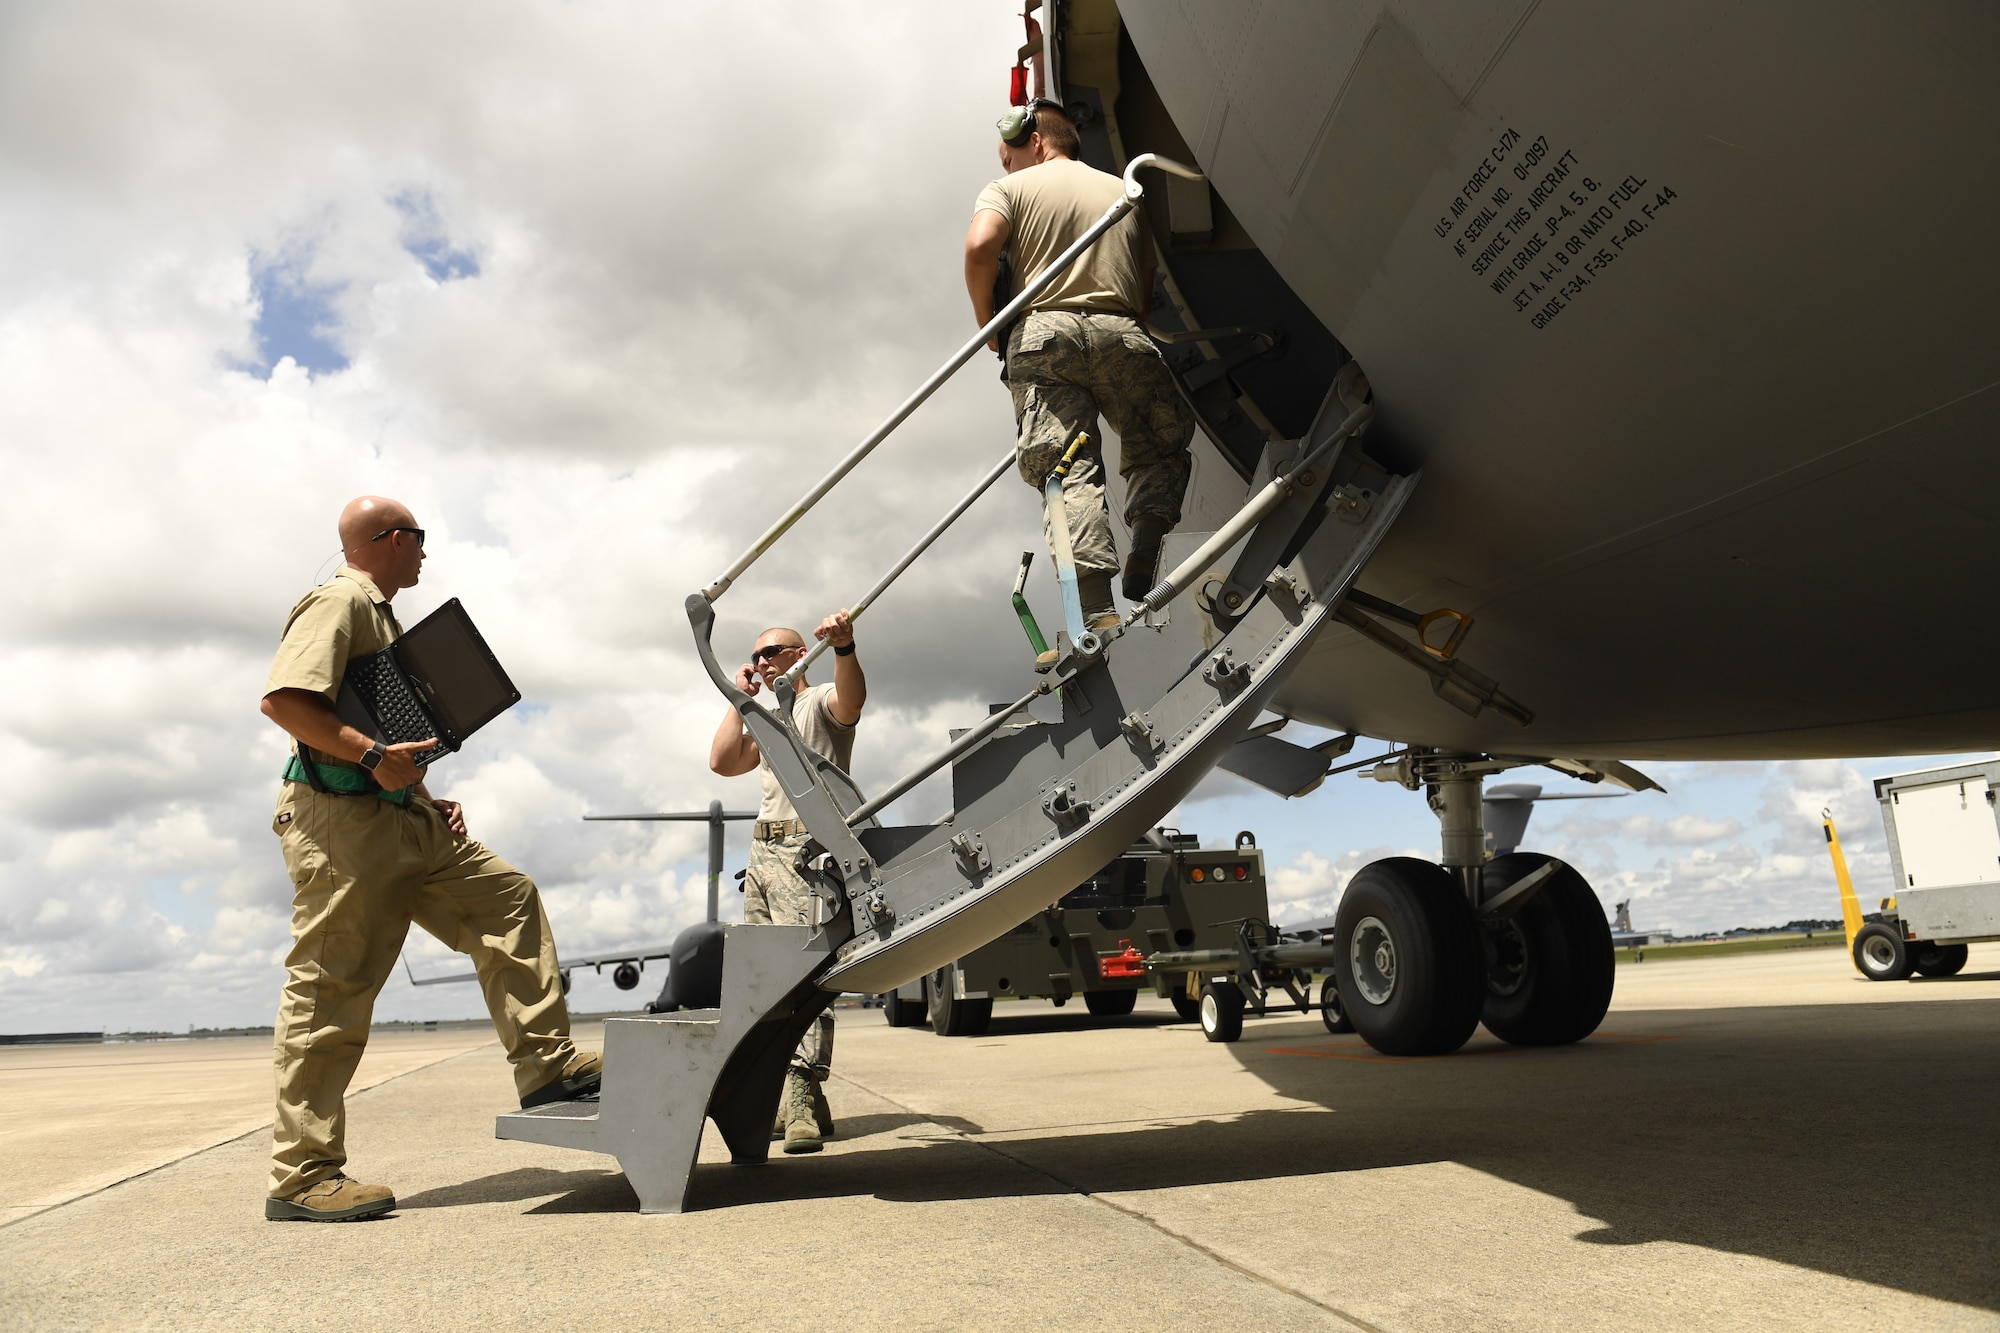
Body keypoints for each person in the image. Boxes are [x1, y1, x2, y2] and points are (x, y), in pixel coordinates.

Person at [258, 496, 599, 1222]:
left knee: (505, 895)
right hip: (342, 822)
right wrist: (377, 757)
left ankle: (549, 1070)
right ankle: (302, 1174)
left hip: (397, 814)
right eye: (418, 538)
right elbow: (286, 701)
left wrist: (423, 789)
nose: (423, 551)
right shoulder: (340, 599)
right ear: (388, 538)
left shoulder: (381, 614)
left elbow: (370, 723)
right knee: (330, 991)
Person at [964, 98, 1198, 630]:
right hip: (1122, 331)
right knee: (1159, 443)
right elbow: (1142, 287)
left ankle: (1097, 607)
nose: (1008, 167)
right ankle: (1146, 540)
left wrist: (989, 326)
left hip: (1044, 332)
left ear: (1035, 141)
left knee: (1065, 468)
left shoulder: (1008, 190)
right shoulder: (1124, 191)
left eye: (1009, 157)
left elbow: (980, 246)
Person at [708, 611, 865, 1154]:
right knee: (765, 975)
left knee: (807, 974)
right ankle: (796, 1089)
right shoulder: (766, 717)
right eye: (754, 655)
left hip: (807, 849)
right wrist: (739, 698)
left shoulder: (815, 700)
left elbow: (850, 703)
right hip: (763, 850)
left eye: (769, 653)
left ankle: (798, 1092)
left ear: (797, 656)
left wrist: (843, 649)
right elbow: (723, 762)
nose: (758, 662)